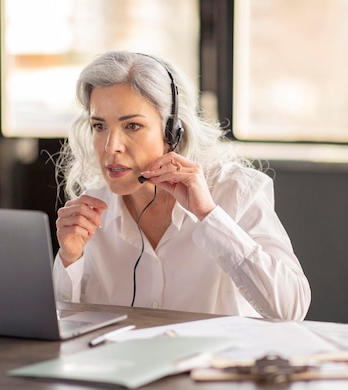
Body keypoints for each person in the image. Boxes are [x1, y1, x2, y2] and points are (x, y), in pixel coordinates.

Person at [53, 51, 310, 321]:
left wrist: (209, 216)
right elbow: (66, 326)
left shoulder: (235, 190)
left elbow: (290, 310)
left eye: (132, 126)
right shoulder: (90, 211)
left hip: (214, 362)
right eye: (99, 126)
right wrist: (70, 258)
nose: (111, 146)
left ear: (173, 131)